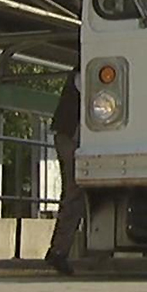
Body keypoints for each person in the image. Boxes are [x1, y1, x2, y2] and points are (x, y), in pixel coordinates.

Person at [45, 69, 82, 276]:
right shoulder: (85, 72)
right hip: (71, 136)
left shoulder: (79, 72)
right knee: (74, 193)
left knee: (72, 192)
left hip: (67, 135)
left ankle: (59, 248)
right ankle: (59, 250)